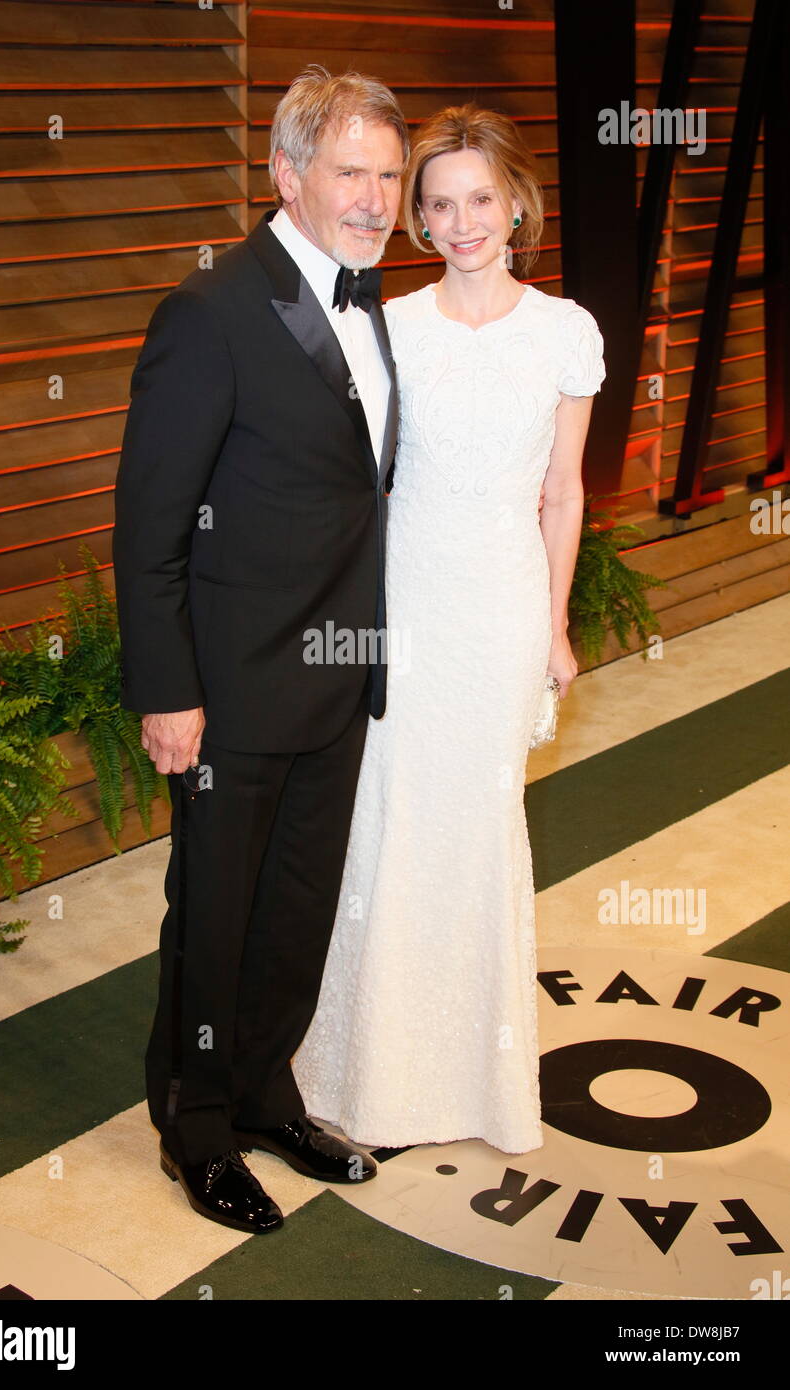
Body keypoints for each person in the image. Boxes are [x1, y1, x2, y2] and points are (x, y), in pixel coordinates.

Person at [112, 66, 409, 1233]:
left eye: (389, 175)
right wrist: (168, 690)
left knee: (296, 909)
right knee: (215, 915)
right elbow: (147, 527)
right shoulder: (211, 311)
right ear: (285, 173)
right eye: (351, 172)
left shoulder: (369, 294)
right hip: (229, 693)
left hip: (338, 677)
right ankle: (192, 1125)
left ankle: (263, 1089)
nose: (376, 197)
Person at [293, 103, 606, 1154]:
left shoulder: (564, 332)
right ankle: (364, 1080)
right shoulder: (394, 327)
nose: (460, 221)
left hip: (501, 613)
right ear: (418, 220)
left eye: (479, 198)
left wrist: (556, 626)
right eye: (436, 204)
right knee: (386, 829)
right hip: (405, 611)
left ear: (516, 201)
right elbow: (361, 492)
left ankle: (476, 1084)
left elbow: (561, 494)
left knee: (474, 834)